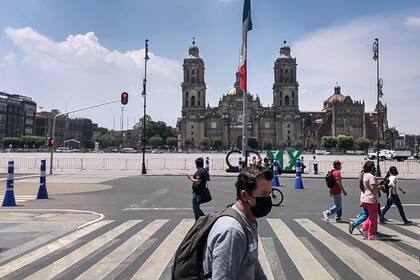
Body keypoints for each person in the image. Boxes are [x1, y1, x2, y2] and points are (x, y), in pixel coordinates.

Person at [202, 165, 273, 280]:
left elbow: (252, 261)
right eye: (263, 194)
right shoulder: (232, 232)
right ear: (244, 195)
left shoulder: (249, 220)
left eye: (269, 194)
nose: (268, 199)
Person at [357, 161, 381, 240]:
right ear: (371, 168)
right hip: (372, 199)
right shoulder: (371, 176)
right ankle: (370, 234)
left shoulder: (364, 175)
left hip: (365, 198)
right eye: (373, 167)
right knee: (373, 218)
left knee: (371, 217)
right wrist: (379, 187)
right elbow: (373, 188)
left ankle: (364, 229)